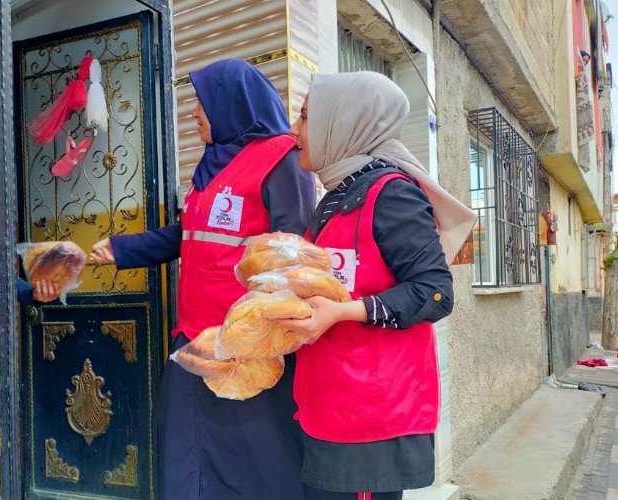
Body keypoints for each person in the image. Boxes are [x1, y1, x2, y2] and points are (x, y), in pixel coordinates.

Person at [90, 59, 316, 500]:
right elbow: (186, 235)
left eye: (202, 103)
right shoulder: (213, 168)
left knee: (254, 457)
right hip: (195, 337)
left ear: (232, 104)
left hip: (247, 346)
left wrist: (264, 331)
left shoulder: (280, 159)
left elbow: (293, 253)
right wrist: (120, 249)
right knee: (187, 447)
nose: (194, 113)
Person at [279, 72, 476, 500]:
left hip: (369, 418)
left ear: (342, 123)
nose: (294, 130)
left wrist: (343, 312)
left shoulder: (391, 195)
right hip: (328, 403)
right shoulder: (335, 197)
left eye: (305, 118)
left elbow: (435, 293)